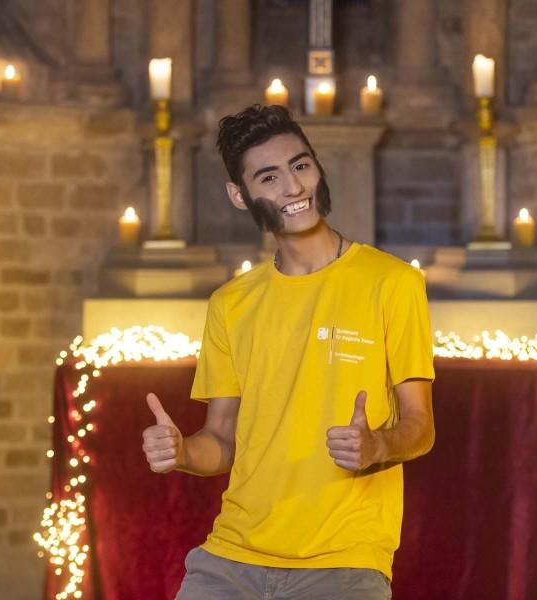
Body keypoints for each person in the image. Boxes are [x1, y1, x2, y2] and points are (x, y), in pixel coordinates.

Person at [141, 104, 435, 600]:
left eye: (300, 166)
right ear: (240, 195)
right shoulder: (230, 304)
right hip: (230, 558)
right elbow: (222, 440)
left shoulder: (393, 283)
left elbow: (421, 427)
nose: (293, 188)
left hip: (344, 564)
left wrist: (377, 446)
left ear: (317, 169)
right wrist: (182, 452)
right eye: (269, 177)